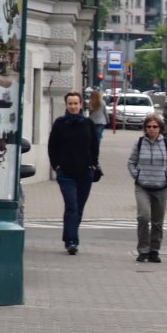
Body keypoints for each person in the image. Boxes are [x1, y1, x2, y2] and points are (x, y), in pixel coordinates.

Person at [48, 90, 100, 255]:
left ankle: (68, 236)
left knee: (78, 209)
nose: (73, 106)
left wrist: (93, 164)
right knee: (71, 206)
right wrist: (56, 166)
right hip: (66, 174)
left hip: (85, 173)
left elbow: (94, 146)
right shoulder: (60, 123)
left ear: (80, 105)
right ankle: (72, 242)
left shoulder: (88, 123)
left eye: (76, 103)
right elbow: (52, 147)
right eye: (70, 103)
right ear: (66, 105)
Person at [126, 112, 167, 263]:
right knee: (143, 217)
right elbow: (131, 162)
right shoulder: (140, 143)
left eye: (155, 126)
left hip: (161, 187)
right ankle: (143, 250)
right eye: (148, 126)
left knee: (157, 221)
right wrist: (137, 175)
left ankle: (154, 250)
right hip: (143, 186)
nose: (151, 129)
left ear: (160, 128)